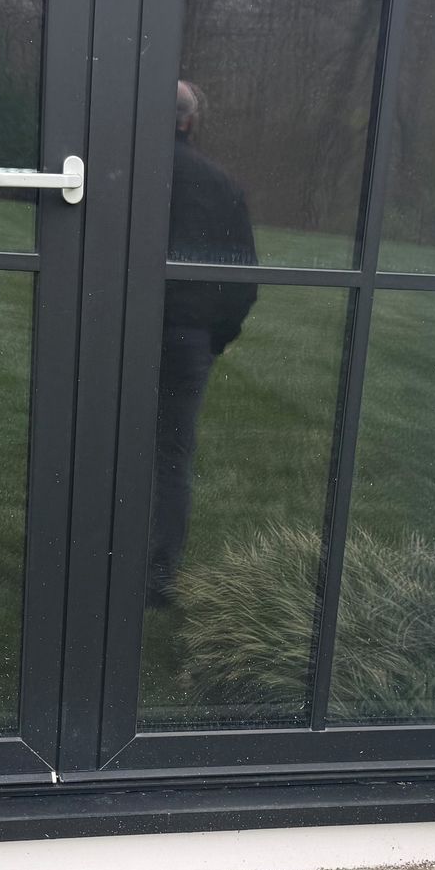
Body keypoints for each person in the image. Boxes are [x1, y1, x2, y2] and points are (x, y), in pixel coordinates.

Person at [148, 80, 258, 608]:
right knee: (170, 456)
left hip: (124, 327)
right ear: (190, 122)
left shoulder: (126, 174)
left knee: (103, 439)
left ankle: (90, 557)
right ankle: (158, 574)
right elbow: (243, 280)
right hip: (187, 336)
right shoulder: (221, 183)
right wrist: (216, 338)